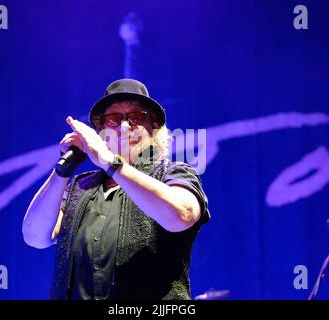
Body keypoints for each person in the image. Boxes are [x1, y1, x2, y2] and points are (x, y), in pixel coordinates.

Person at [22, 78, 210, 300]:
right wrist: (63, 168)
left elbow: (182, 215)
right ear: (100, 130)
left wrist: (111, 163)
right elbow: (35, 236)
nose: (123, 126)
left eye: (137, 117)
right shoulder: (80, 187)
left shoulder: (173, 173)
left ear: (154, 128)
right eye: (113, 119)